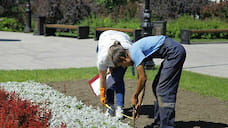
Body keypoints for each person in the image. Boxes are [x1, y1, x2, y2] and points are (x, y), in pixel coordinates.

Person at [108, 35, 186, 128]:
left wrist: (134, 96)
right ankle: (158, 124)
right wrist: (138, 103)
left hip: (174, 53)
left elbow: (143, 78)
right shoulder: (132, 52)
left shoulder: (134, 53)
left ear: (123, 58)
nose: (124, 67)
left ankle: (167, 125)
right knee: (156, 86)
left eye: (122, 65)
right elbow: (142, 81)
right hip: (172, 53)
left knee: (164, 91)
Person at [96, 30, 132, 119]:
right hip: (105, 38)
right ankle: (110, 106)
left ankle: (120, 108)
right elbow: (102, 78)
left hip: (122, 40)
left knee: (117, 79)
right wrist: (102, 94)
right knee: (109, 79)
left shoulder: (129, 50)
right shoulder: (102, 59)